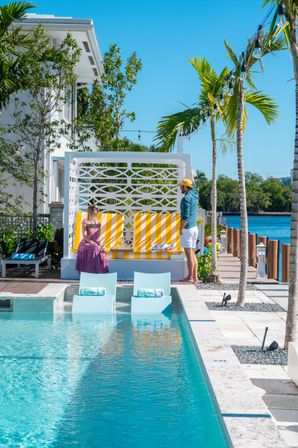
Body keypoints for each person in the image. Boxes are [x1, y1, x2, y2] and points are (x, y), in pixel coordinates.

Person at [76, 203, 108, 274]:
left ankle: (97, 272)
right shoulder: (85, 221)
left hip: (96, 242)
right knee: (94, 249)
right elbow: (84, 236)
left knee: (101, 250)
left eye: (97, 209)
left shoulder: (98, 222)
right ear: (91, 210)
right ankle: (93, 272)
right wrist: (91, 242)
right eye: (95, 209)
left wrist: (100, 244)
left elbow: (99, 235)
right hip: (87, 242)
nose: (97, 210)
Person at [179, 178, 199, 283]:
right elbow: (195, 187)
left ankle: (190, 277)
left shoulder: (186, 199)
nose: (180, 188)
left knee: (189, 254)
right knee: (192, 253)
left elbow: (185, 216)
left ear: (186, 187)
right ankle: (195, 277)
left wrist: (180, 228)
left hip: (187, 228)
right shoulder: (195, 196)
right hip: (194, 227)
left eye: (181, 186)